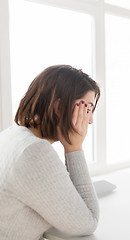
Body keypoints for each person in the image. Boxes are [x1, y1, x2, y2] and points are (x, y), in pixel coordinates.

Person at [0, 65, 100, 239]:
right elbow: (88, 222)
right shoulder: (34, 152)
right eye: (88, 109)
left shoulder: (13, 135)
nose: (90, 120)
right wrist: (74, 147)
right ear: (60, 107)